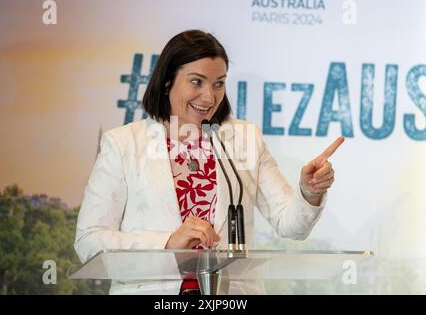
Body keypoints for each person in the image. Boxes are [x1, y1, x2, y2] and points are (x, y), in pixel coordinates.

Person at [74, 29, 344, 295]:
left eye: (218, 83)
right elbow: (89, 241)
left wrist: (309, 192)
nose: (209, 97)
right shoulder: (123, 144)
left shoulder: (244, 140)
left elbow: (291, 226)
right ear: (168, 80)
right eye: (196, 82)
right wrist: (167, 244)